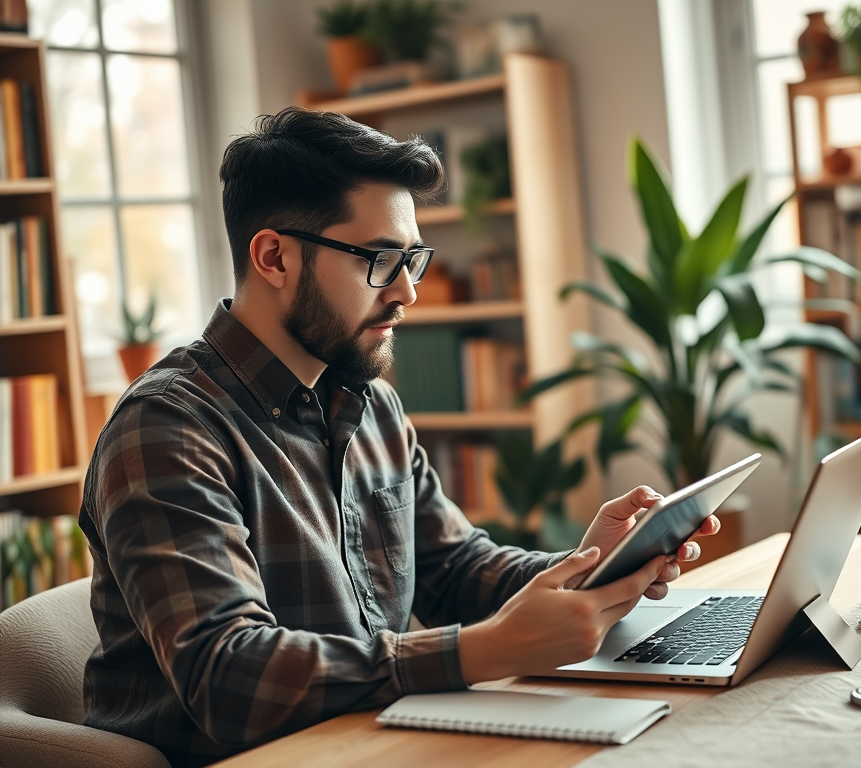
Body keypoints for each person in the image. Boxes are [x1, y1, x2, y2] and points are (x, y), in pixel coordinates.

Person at [79, 107, 719, 767]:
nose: (410, 290)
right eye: (382, 260)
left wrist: (591, 569)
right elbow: (228, 677)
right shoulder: (168, 429)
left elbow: (455, 567)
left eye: (412, 256)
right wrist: (486, 650)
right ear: (274, 257)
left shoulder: (371, 404)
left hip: (371, 742)